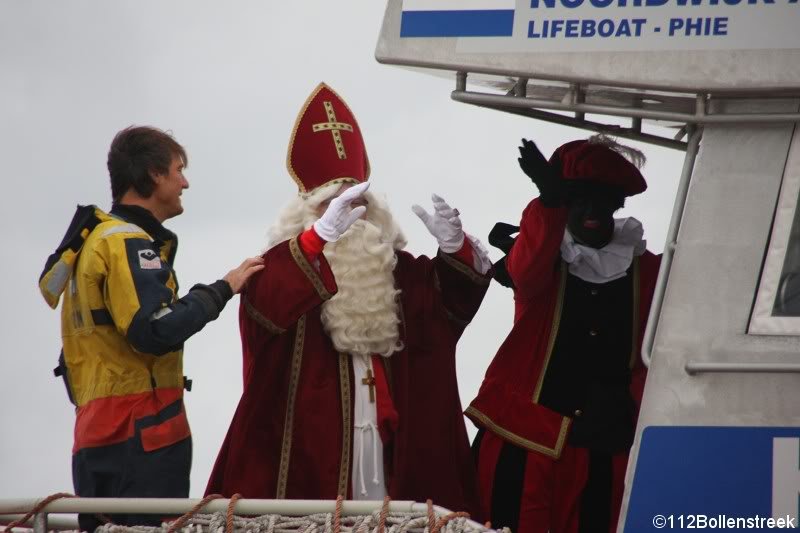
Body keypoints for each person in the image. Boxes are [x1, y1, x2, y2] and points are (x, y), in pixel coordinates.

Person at [205, 82, 491, 515]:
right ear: (305, 217)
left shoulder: (397, 273)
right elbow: (266, 306)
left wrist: (455, 251)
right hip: (311, 459)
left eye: (358, 206)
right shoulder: (280, 269)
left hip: (390, 452)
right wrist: (319, 239)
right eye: (331, 208)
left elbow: (447, 309)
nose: (349, 218)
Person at [39, 126, 264, 531]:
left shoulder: (92, 243)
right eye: (179, 170)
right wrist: (223, 289)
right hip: (142, 440)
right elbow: (153, 331)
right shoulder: (128, 243)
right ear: (154, 174)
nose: (185, 182)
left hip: (95, 441)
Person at [466, 136, 661, 533]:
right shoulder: (544, 260)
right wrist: (549, 203)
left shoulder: (650, 270)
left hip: (607, 445)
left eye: (603, 200)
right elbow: (526, 269)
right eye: (579, 199)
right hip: (528, 440)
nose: (591, 211)